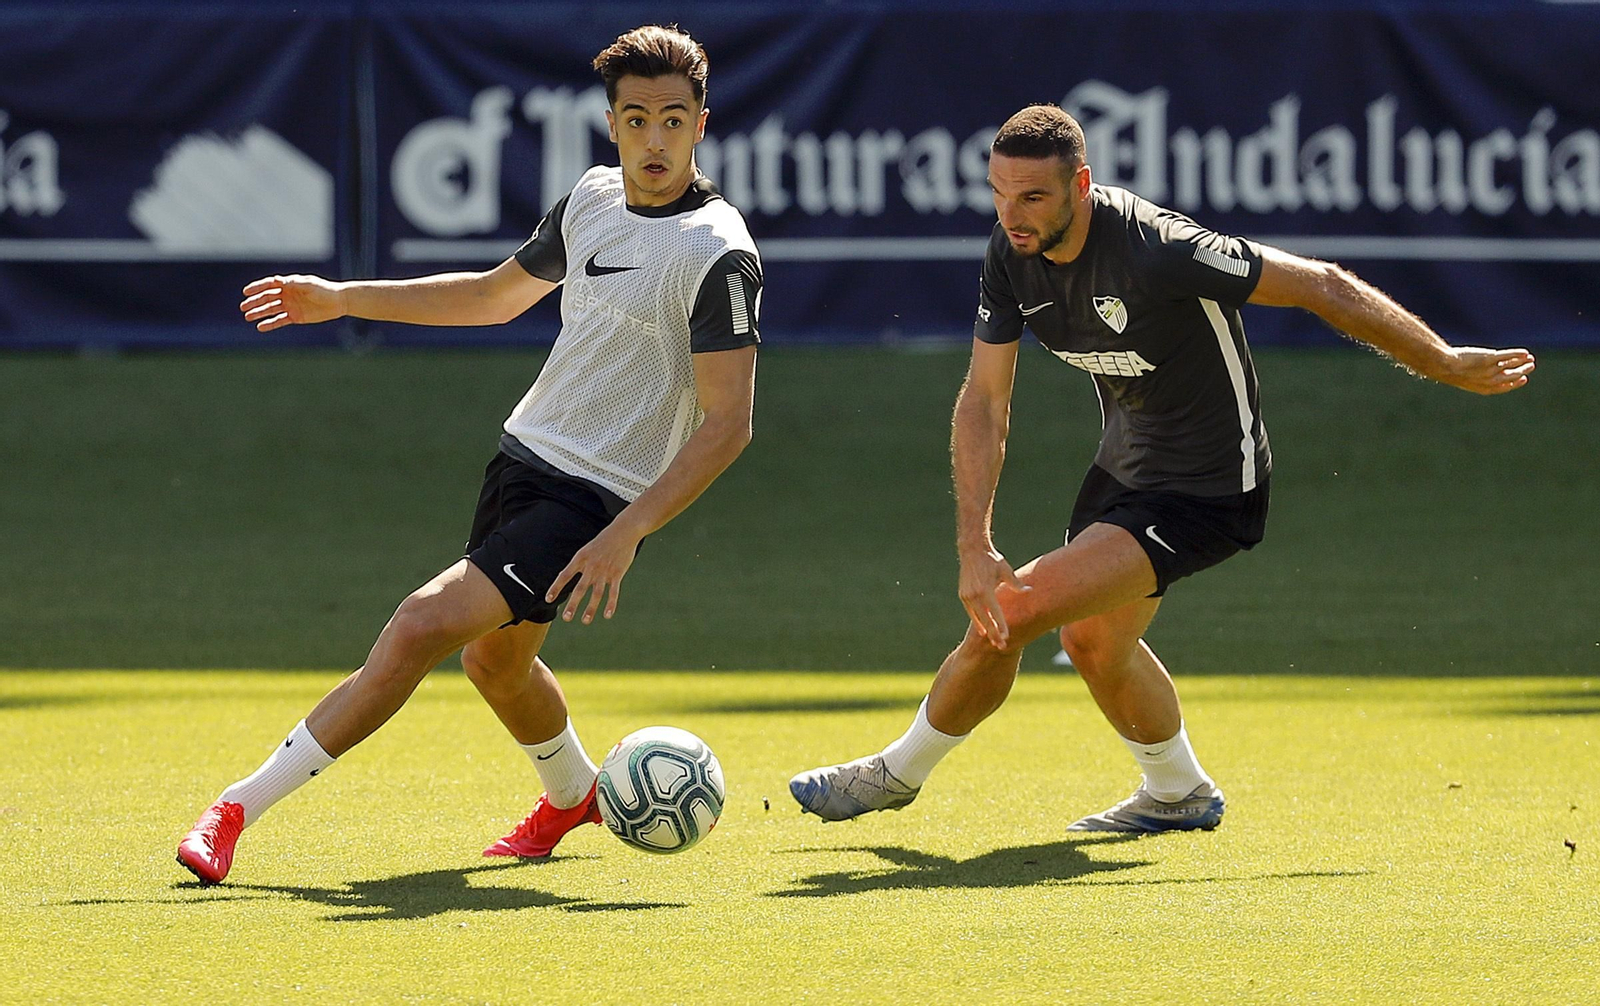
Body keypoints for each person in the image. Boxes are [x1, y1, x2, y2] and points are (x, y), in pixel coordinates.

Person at [790, 104, 1534, 833]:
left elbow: (1321, 284)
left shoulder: (1158, 247)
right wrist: (973, 544)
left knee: (1011, 613)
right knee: (1091, 642)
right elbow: (985, 400)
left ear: (1081, 186)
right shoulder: (1009, 255)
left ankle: (895, 774)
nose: (1011, 214)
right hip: (1125, 471)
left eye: (1033, 196)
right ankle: (1178, 791)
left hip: (1210, 487)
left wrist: (1440, 361)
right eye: (999, 193)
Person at [177, 24, 762, 883]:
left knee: (416, 629)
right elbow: (493, 298)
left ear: (703, 123)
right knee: (495, 659)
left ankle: (234, 809)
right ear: (611, 124)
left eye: (674, 120)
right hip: (522, 459)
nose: (654, 140)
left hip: (591, 499)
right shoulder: (594, 200)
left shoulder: (717, 254)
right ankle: (573, 796)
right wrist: (342, 298)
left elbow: (728, 425)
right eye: (636, 119)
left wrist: (625, 533)